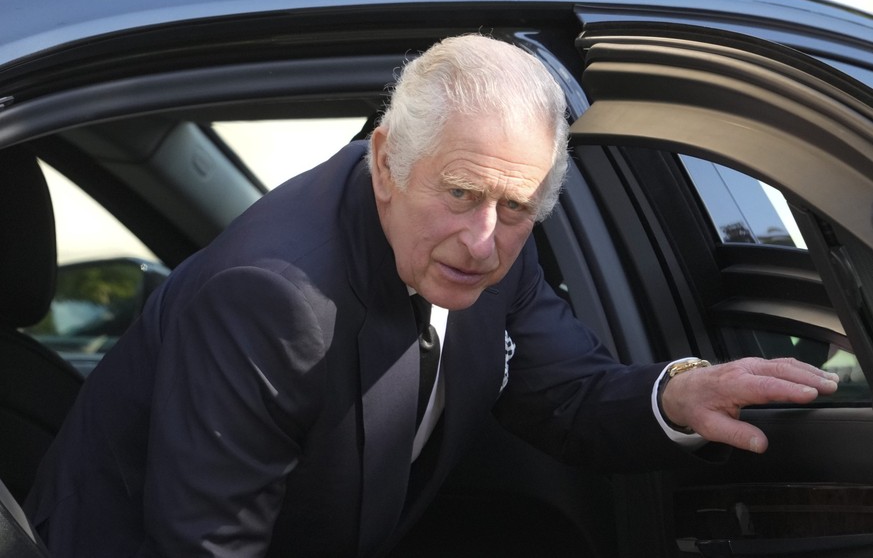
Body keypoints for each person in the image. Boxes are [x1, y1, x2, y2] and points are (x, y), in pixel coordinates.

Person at [24, 34, 838, 557]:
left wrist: (677, 394)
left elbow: (562, 393)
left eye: (517, 208)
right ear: (384, 162)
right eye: (458, 194)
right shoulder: (272, 298)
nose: (483, 241)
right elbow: (205, 550)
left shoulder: (487, 230)